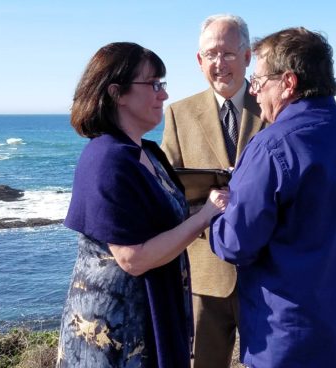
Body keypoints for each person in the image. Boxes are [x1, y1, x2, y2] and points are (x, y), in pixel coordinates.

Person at [210, 27, 336, 367]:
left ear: (288, 83)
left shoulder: (272, 146)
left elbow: (235, 243)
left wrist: (216, 213)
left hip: (291, 338)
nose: (254, 92)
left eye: (259, 83)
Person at [57, 42, 228, 368]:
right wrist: (205, 216)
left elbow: (163, 221)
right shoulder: (106, 161)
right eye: (153, 84)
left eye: (162, 85)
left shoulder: (148, 153)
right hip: (114, 335)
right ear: (117, 93)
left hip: (148, 319)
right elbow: (133, 258)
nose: (163, 95)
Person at [161, 14, 265, 368]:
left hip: (267, 273)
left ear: (248, 55)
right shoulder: (178, 114)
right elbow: (169, 192)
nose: (219, 64)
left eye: (229, 53)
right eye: (211, 54)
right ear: (198, 60)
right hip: (205, 275)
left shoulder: (275, 107)